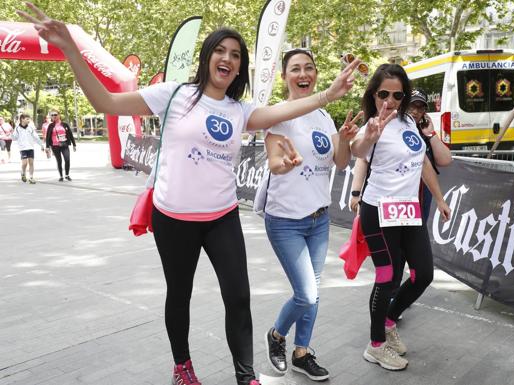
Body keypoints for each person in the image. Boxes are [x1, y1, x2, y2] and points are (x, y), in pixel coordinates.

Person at [19, 4, 359, 385]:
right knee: (179, 296)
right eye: (221, 50)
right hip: (174, 219)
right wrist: (70, 50)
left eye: (235, 54)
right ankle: (182, 367)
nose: (227, 58)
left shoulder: (240, 109)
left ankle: (245, 376)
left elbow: (282, 110)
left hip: (222, 218)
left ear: (240, 67)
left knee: (239, 297)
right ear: (207, 55)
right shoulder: (174, 94)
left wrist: (328, 94)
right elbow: (106, 104)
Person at [263, 48, 361, 381]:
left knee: (313, 293)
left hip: (319, 219)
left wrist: (345, 139)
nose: (303, 74)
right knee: (306, 293)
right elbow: (274, 163)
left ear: (316, 74)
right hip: (286, 221)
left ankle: (302, 352)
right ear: (284, 77)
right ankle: (277, 335)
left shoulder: (323, 117)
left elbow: (341, 162)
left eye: (309, 68)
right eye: (295, 69)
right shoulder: (278, 114)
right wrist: (284, 164)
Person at [350, 64, 451, 371]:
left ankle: (390, 320)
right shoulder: (372, 124)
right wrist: (370, 134)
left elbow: (423, 164)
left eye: (397, 94)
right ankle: (376, 345)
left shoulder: (409, 122)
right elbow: (357, 150)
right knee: (387, 277)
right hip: (378, 210)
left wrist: (439, 198)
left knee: (423, 274)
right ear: (373, 94)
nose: (390, 101)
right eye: (383, 94)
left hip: (408, 211)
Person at [12, 113, 45, 183]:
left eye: (29, 119)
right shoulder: (17, 128)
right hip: (23, 148)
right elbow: (14, 138)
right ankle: (23, 173)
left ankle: (31, 177)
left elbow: (36, 137)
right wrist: (11, 134)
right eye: (27, 119)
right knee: (24, 163)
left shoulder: (30, 128)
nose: (28, 120)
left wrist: (41, 145)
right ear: (22, 119)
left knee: (31, 162)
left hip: (30, 147)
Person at [45, 110, 76, 181]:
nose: (53, 116)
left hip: (64, 144)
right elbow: (47, 137)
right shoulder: (51, 125)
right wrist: (47, 147)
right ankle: (61, 176)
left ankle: (67, 175)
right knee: (59, 161)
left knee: (67, 160)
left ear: (59, 115)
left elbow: (70, 134)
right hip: (55, 146)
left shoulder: (64, 124)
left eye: (55, 114)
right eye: (52, 115)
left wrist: (74, 144)